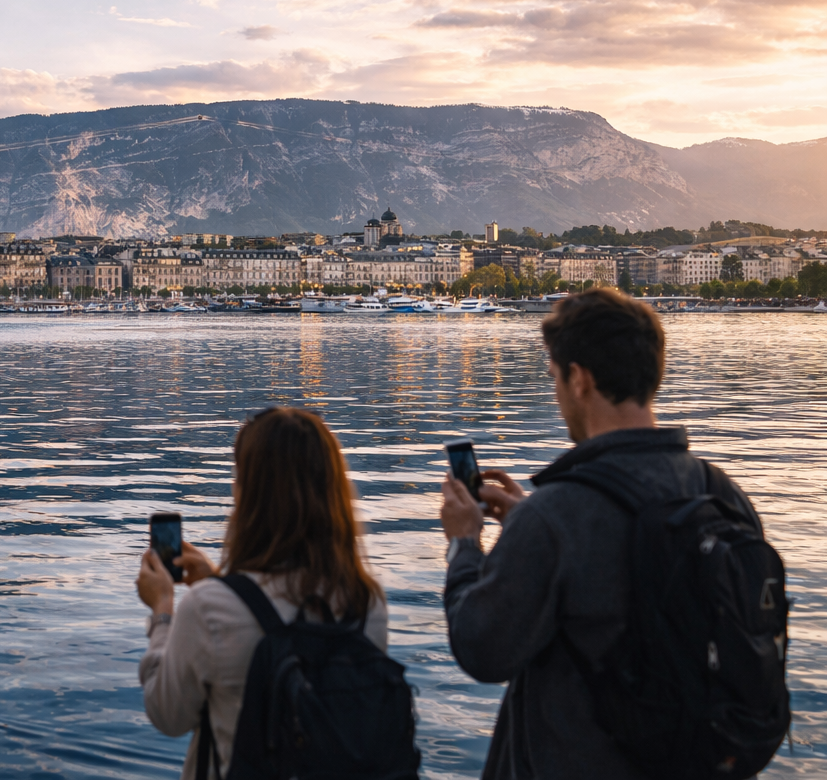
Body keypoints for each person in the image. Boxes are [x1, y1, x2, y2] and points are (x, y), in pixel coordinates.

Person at [440, 287, 764, 779]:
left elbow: (481, 648)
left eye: (554, 376)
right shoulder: (721, 493)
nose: (556, 392)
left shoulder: (556, 515)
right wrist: (529, 519)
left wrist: (465, 542)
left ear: (579, 379)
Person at [136, 406, 388, 779]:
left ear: (249, 495)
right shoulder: (366, 601)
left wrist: (162, 612)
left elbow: (168, 713)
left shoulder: (210, 610)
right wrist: (219, 581)